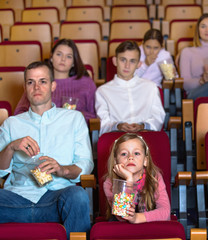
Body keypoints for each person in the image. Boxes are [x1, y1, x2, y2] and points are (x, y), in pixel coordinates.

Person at [0, 61, 94, 239]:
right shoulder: (12, 123)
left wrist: (62, 169)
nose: (36, 87)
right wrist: (11, 147)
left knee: (78, 196)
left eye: (42, 81)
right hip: (16, 200)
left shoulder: (74, 118)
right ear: (25, 87)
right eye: (30, 82)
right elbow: (0, 170)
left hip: (56, 198)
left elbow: (86, 164)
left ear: (53, 86)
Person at [14, 39, 97, 123]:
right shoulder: (38, 80)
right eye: (59, 54)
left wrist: (77, 115)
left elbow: (95, 116)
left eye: (69, 56)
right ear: (51, 57)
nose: (63, 59)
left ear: (73, 62)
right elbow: (19, 113)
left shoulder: (86, 83)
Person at [95, 41, 165, 136]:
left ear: (139, 64)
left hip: (145, 137)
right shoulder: (103, 91)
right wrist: (118, 126)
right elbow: (103, 124)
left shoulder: (151, 87)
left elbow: (158, 118)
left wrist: (143, 126)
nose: (127, 66)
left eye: (132, 61)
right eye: (123, 60)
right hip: (117, 140)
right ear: (115, 61)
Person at [103, 133, 170, 222]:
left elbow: (165, 213)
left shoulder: (154, 177)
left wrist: (137, 218)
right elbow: (122, 216)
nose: (130, 157)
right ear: (116, 161)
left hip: (149, 224)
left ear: (145, 161)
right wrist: (129, 180)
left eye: (136, 153)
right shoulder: (109, 182)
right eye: (124, 154)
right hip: (121, 228)